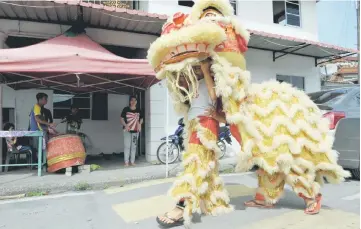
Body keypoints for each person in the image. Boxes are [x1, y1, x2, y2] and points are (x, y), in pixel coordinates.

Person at [156, 60, 232, 227]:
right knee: (205, 166)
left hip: (204, 125)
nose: (197, 69)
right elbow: (187, 99)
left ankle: (181, 207)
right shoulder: (197, 82)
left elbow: (214, 98)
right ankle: (210, 200)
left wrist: (205, 70)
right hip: (194, 124)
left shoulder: (212, 80)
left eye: (201, 65)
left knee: (194, 166)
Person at [120, 96, 143, 167]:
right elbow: (121, 119)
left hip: (136, 131)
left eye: (135, 100)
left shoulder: (139, 110)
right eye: (132, 100)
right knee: (127, 146)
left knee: (134, 147)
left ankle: (132, 161)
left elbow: (141, 119)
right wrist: (125, 125)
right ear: (130, 101)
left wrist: (139, 124)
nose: (133, 102)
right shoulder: (126, 109)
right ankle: (126, 162)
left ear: (136, 102)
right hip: (127, 130)